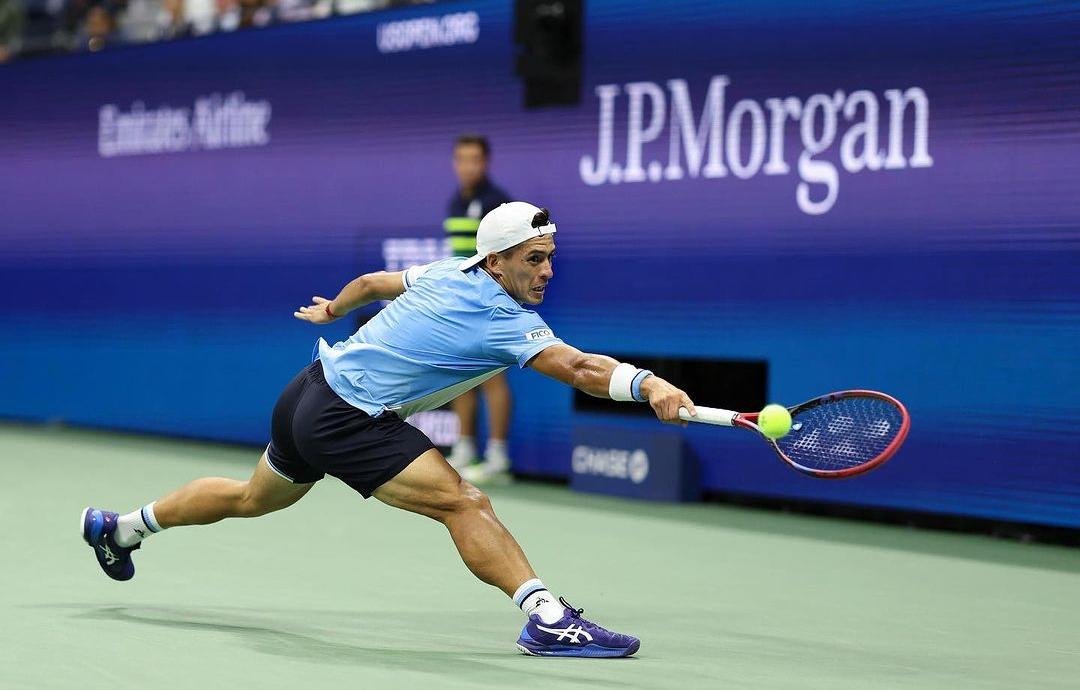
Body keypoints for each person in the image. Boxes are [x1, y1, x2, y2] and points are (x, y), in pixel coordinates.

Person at [80, 201, 697, 658]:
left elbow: (373, 284)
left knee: (252, 497)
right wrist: (649, 384)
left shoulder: (451, 271)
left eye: (550, 259)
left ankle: (122, 527)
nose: (546, 272)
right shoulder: (503, 320)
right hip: (348, 416)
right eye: (534, 260)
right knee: (463, 501)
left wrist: (331, 311)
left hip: (309, 388)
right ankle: (545, 618)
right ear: (500, 261)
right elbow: (581, 368)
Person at [444, 135, 514, 480]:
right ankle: (465, 448)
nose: (466, 166)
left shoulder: (497, 204)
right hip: (462, 300)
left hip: (490, 300)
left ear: (485, 162)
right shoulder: (455, 202)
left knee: (491, 376)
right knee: (461, 374)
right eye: (460, 159)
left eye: (473, 159)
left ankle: (498, 456)